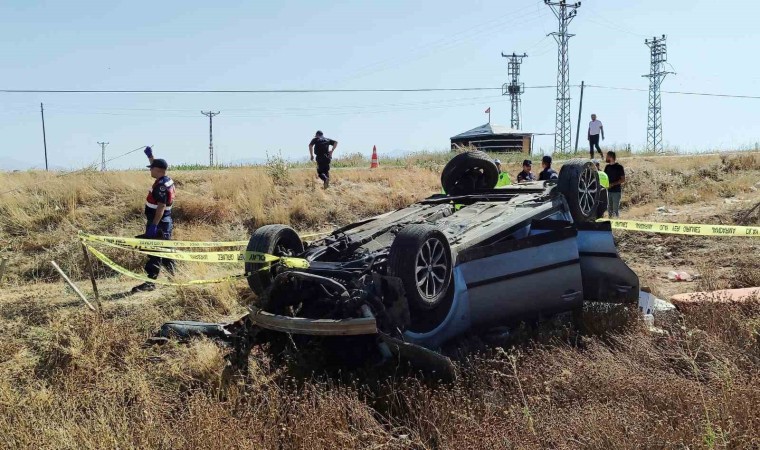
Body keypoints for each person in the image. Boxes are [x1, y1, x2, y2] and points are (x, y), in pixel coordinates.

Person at [132, 146, 176, 293]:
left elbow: (161, 206)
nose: (149, 170)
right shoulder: (165, 178)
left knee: (155, 252)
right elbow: (156, 165)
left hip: (159, 222)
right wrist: (150, 156)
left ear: (157, 170)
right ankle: (175, 278)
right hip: (164, 222)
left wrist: (154, 226)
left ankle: (150, 282)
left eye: (151, 168)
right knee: (166, 251)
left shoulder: (161, 186)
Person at [604, 151, 625, 218]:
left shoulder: (619, 167)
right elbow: (604, 178)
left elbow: (623, 179)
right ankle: (610, 225)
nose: (606, 158)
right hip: (608, 192)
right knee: (609, 210)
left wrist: (612, 184)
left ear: (611, 157)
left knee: (615, 210)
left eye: (607, 156)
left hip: (616, 192)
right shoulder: (607, 167)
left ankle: (617, 224)